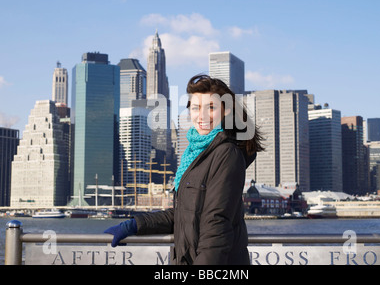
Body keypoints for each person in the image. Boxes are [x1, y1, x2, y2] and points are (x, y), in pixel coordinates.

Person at [104, 74, 264, 265]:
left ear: (226, 111)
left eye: (211, 108)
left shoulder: (226, 154)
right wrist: (135, 225)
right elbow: (184, 215)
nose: (202, 116)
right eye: (196, 108)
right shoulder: (196, 154)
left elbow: (216, 223)